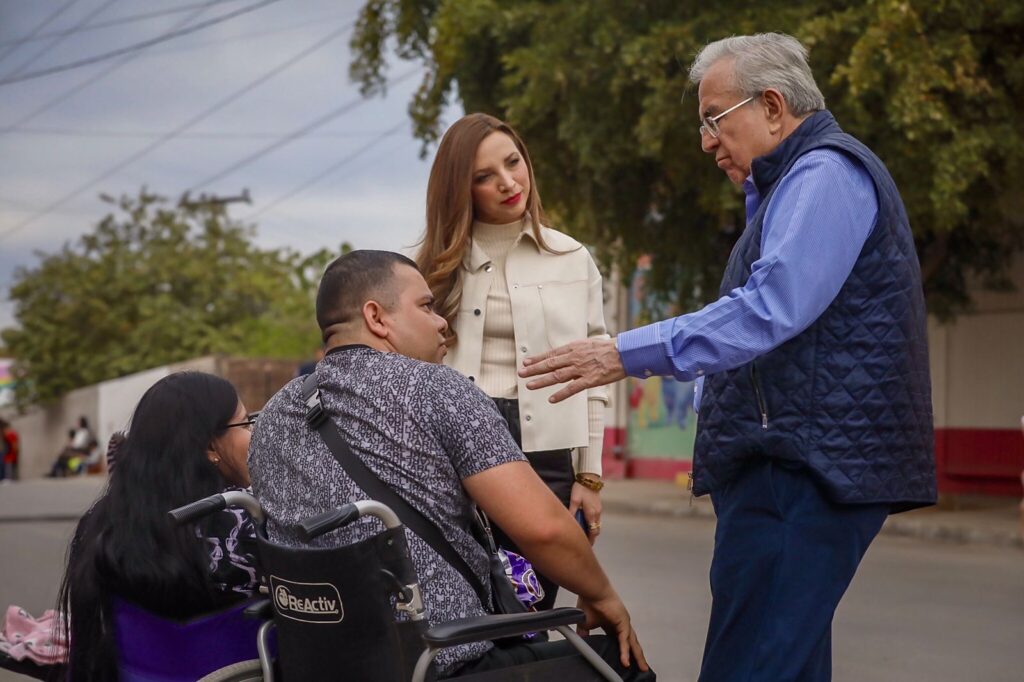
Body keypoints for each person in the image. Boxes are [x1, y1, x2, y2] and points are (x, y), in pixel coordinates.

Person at [519, 33, 936, 681]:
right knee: (786, 664)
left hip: (801, 468)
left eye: (713, 120)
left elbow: (771, 308)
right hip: (793, 464)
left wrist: (623, 353)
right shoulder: (788, 185)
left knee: (749, 664)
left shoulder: (824, 174)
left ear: (772, 105)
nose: (707, 142)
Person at [248, 250, 652, 680]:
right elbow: (544, 529)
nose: (442, 322)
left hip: (321, 662)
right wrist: (603, 595)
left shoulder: (272, 416)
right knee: (621, 661)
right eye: (425, 306)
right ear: (376, 317)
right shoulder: (436, 389)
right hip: (439, 659)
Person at [417, 113, 610, 609]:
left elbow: (594, 376)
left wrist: (589, 476)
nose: (508, 183)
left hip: (544, 453)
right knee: (457, 604)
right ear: (461, 188)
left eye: (513, 163)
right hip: (449, 448)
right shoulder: (423, 266)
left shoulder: (572, 258)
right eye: (484, 176)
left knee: (528, 605)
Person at [57, 372, 259, 680]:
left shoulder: (100, 521)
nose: (253, 434)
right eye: (245, 423)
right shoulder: (245, 517)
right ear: (209, 447)